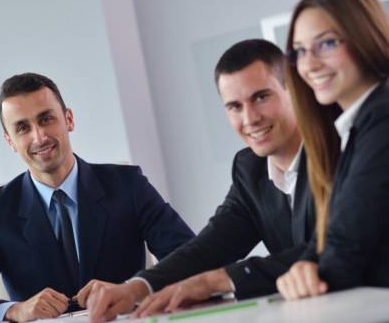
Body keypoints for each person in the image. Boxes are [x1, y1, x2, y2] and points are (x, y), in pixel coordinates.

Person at [86, 39, 315, 321]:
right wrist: (136, 287)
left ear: (293, 89)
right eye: (234, 106)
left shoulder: (343, 151)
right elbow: (211, 246)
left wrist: (215, 281)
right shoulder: (249, 167)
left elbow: (334, 248)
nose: (250, 118)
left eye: (260, 97)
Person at [0, 73, 194, 322]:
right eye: (22, 128)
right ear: (10, 141)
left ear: (68, 119)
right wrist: (15, 310)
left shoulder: (128, 185)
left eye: (46, 119)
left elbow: (191, 259)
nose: (39, 137)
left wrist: (134, 288)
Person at [276, 0, 389, 300]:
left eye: (326, 43)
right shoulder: (356, 125)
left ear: (363, 35)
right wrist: (306, 264)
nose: (309, 65)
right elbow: (332, 233)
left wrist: (312, 275)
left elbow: (349, 245)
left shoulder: (382, 116)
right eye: (299, 51)